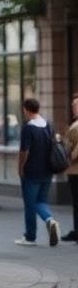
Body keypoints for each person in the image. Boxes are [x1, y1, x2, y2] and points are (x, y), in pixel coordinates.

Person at [15, 97, 61, 247]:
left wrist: (21, 167)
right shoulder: (48, 125)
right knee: (41, 201)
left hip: (31, 172)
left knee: (30, 204)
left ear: (25, 110)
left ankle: (30, 237)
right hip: (47, 170)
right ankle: (49, 220)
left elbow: (24, 151)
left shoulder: (28, 128)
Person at [64, 94, 78, 243]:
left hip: (76, 170)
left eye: (75, 106)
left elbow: (75, 150)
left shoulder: (77, 126)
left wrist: (67, 159)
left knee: (76, 203)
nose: (73, 108)